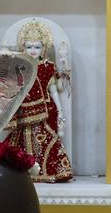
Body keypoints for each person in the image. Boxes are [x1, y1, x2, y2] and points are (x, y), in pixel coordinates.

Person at [4, 21, 73, 183]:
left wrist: (61, 112)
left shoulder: (48, 67)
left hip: (45, 110)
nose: (33, 51)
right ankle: (23, 171)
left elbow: (54, 90)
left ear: (44, 49)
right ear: (23, 48)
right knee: (20, 140)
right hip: (22, 111)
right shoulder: (20, 67)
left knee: (46, 139)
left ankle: (46, 171)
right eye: (29, 47)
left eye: (37, 47)